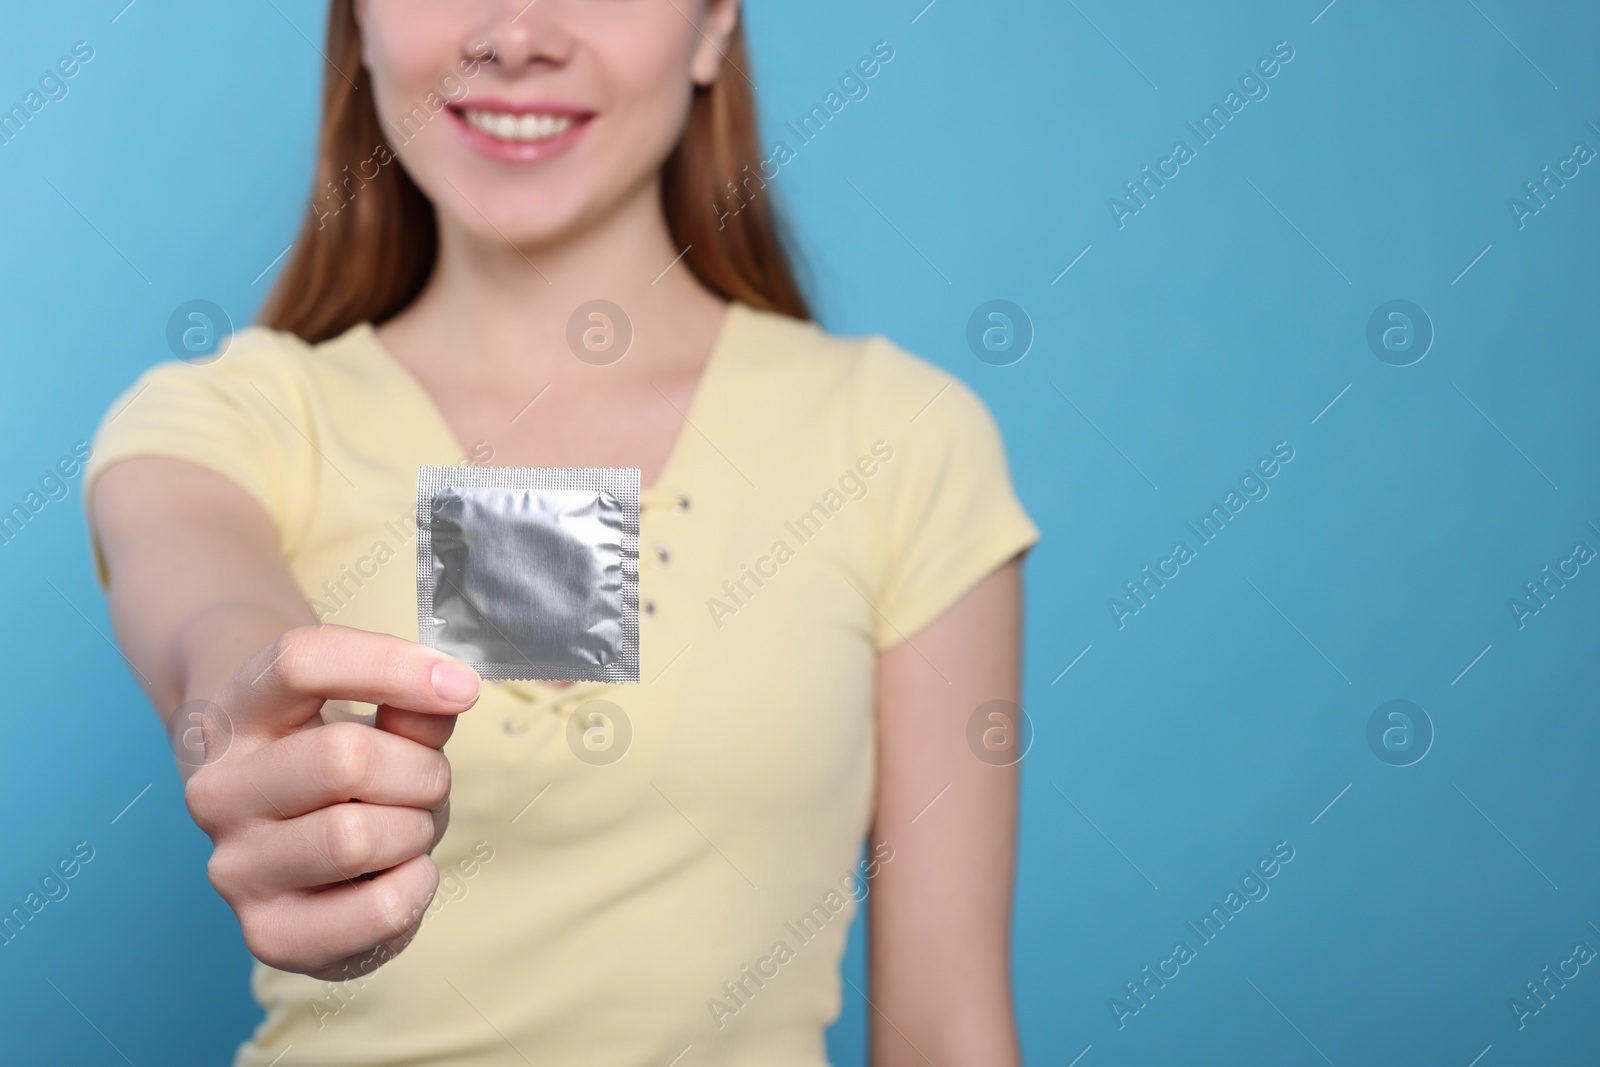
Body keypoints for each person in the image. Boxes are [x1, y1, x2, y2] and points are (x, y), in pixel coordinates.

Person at [84, 2, 1038, 1064]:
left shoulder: (900, 440)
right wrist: (253, 713)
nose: (516, 33)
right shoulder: (224, 423)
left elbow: (949, 1032)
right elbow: (210, 616)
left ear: (716, 23)